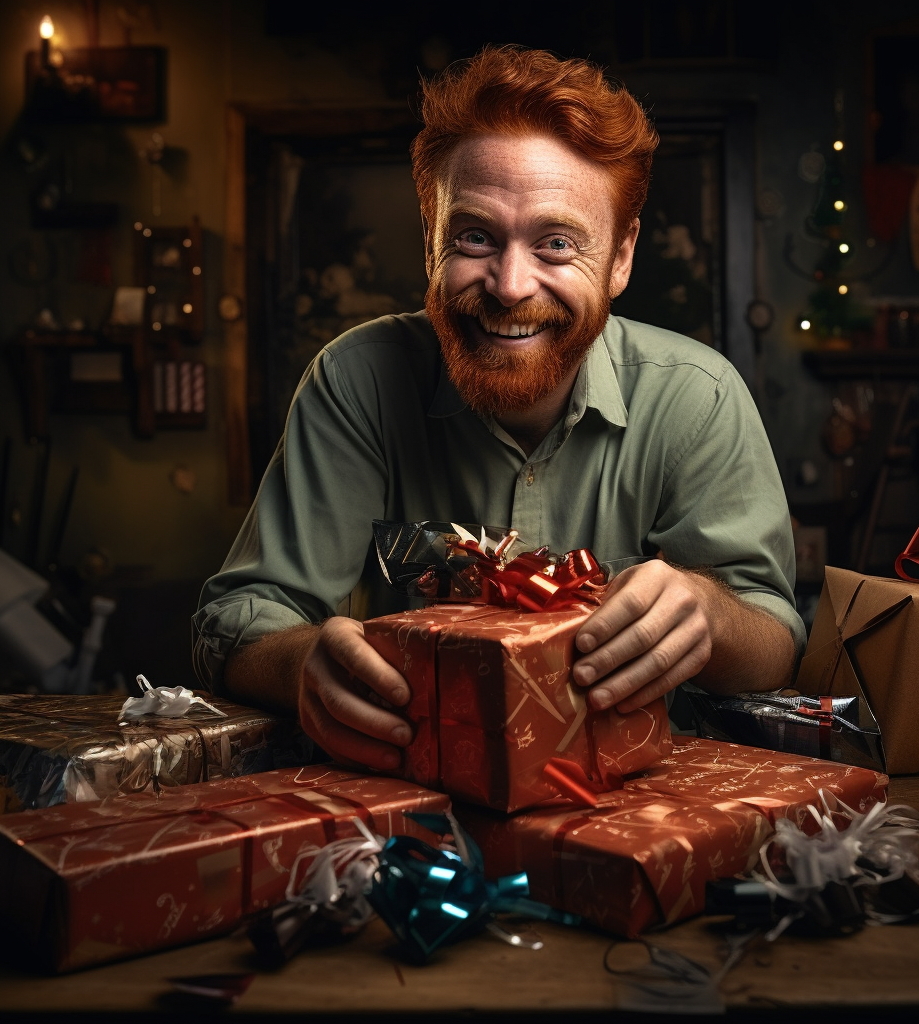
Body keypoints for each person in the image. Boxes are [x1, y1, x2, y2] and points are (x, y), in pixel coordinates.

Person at [193, 46, 804, 772]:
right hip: (411, 788)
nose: (511, 286)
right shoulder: (354, 380)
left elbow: (777, 644)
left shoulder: (699, 398)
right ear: (431, 241)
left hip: (635, 796)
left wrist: (709, 614)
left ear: (620, 258)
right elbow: (233, 622)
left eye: (556, 244)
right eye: (476, 236)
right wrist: (300, 667)